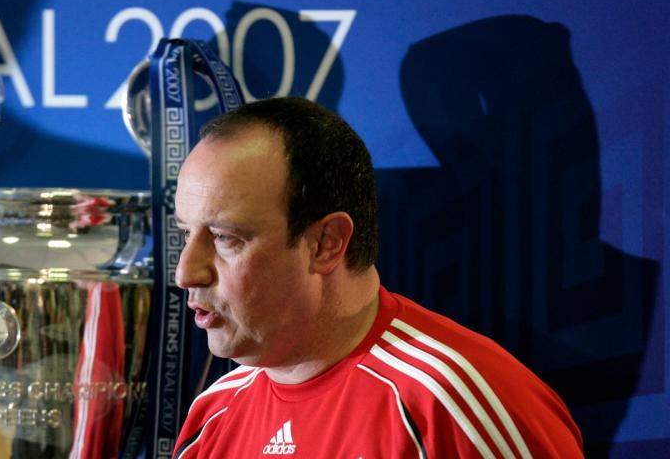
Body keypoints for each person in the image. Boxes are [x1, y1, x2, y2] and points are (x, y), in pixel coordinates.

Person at [171, 97, 583, 458]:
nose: (186, 272)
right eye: (186, 234)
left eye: (225, 238)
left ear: (326, 244)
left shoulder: (452, 404)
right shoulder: (213, 416)